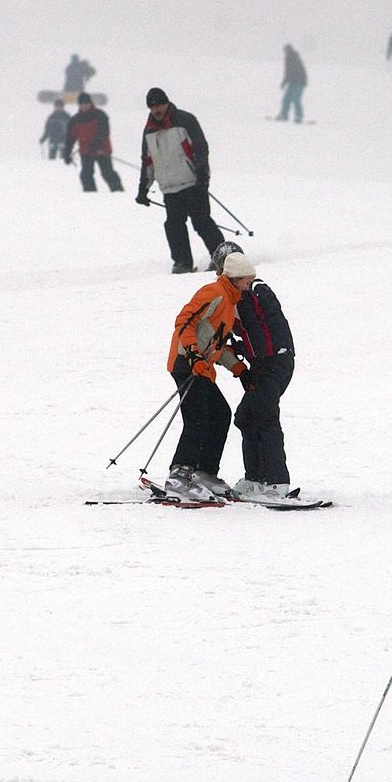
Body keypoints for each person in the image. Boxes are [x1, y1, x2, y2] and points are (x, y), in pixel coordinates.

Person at [163, 257, 249, 502]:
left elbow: (216, 344)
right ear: (236, 278)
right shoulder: (214, 293)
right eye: (247, 280)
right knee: (197, 419)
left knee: (220, 414)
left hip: (202, 368)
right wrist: (193, 356)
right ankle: (179, 476)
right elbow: (184, 322)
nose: (248, 285)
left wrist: (238, 368)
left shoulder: (231, 303)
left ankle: (204, 472)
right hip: (186, 364)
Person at [225, 253, 296, 499]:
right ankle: (254, 478)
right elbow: (254, 332)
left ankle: (277, 482)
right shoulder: (242, 296)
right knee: (245, 416)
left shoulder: (257, 291)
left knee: (265, 416)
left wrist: (254, 353)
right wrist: (242, 349)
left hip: (274, 363)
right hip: (262, 364)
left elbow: (266, 329)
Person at [135, 87, 225, 274]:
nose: (156, 110)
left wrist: (202, 174)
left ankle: (223, 259)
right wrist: (143, 189)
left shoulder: (185, 120)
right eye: (152, 107)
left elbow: (200, 148)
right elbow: (148, 161)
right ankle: (182, 263)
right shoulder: (149, 131)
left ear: (167, 103)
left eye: (159, 105)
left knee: (201, 222)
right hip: (169, 188)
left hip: (193, 183)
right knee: (174, 226)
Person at [63, 93, 124, 192]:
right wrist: (67, 153)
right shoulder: (75, 120)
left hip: (102, 150)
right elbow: (70, 138)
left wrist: (96, 146)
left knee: (107, 173)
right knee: (86, 174)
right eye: (82, 104)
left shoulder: (100, 115)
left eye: (86, 104)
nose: (84, 106)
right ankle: (90, 195)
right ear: (79, 105)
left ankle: (118, 191)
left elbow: (104, 132)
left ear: (90, 103)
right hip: (86, 152)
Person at [277, 44, 307, 122]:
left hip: (299, 83)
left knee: (296, 99)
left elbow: (290, 72)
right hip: (293, 82)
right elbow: (288, 72)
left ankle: (298, 117)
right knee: (286, 99)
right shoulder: (291, 57)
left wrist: (284, 82)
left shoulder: (292, 58)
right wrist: (285, 82)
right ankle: (284, 115)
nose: (285, 52)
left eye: (286, 50)